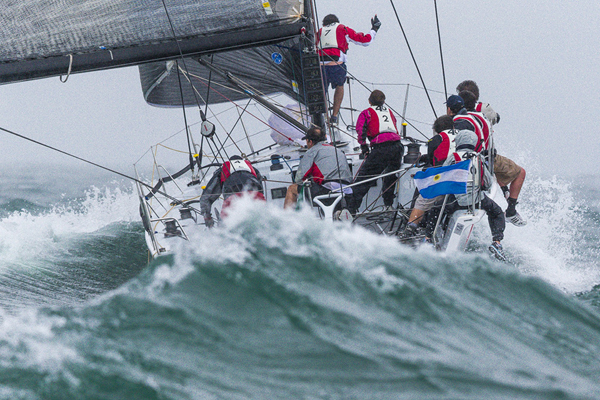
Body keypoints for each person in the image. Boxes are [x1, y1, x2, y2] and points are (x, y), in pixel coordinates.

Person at [425, 130, 507, 260]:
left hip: (455, 201)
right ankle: (497, 242)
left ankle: (428, 238)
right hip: (476, 201)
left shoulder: (454, 157)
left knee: (435, 209)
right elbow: (488, 181)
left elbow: (442, 176)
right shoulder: (478, 157)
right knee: (497, 212)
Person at [456, 80, 527, 226]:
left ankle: (503, 188)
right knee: (520, 172)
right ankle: (511, 209)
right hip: (485, 159)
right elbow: (496, 118)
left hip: (459, 158)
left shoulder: (455, 113)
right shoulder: (483, 108)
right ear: (476, 95)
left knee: (495, 169)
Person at [316, 14, 380, 124]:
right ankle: (334, 116)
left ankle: (320, 116)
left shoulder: (319, 32)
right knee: (340, 86)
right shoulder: (342, 28)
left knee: (321, 90)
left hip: (320, 66)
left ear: (324, 24)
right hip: (337, 65)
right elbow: (365, 41)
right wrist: (374, 29)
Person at [347, 90, 404, 215]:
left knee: (364, 178)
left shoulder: (366, 113)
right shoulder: (389, 112)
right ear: (384, 102)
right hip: (397, 146)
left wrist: (364, 148)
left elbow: (360, 130)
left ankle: (351, 210)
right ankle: (388, 204)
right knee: (391, 175)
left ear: (369, 101)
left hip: (381, 148)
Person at [402, 115, 457, 237]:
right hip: (461, 179)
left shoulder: (436, 139)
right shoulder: (462, 135)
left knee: (422, 200)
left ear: (437, 129)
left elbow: (432, 161)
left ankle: (410, 228)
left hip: (444, 178)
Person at [284, 127, 353, 209]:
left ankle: (288, 219)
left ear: (310, 142)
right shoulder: (337, 150)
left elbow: (300, 179)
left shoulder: (311, 152)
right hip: (348, 193)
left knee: (292, 189)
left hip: (329, 193)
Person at [200, 155, 265, 227]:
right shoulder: (253, 169)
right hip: (255, 194)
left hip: (232, 197)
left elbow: (206, 197)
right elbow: (261, 189)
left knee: (225, 227)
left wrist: (207, 217)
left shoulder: (221, 171)